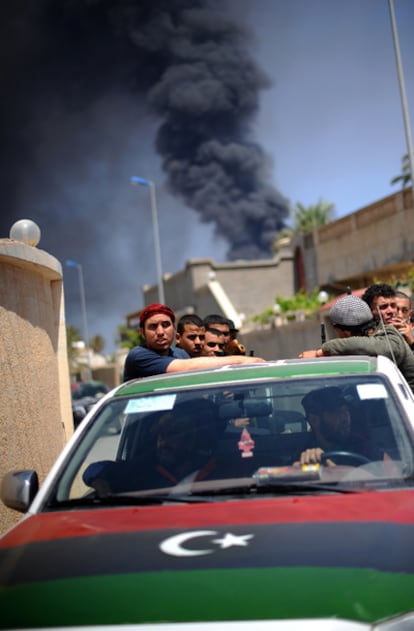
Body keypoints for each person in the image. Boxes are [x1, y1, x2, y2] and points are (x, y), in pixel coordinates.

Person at [299, 294, 414, 393]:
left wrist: (321, 351)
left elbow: (379, 347)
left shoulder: (389, 335)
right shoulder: (357, 349)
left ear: (344, 332)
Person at [123, 303, 265, 381]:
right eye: (153, 327)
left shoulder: (180, 354)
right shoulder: (139, 356)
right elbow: (188, 367)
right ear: (142, 332)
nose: (160, 332)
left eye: (166, 325)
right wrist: (241, 361)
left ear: (173, 329)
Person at [295, 386, 372, 466]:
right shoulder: (303, 453)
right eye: (337, 412)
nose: (345, 418)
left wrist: (333, 469)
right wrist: (301, 467)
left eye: (346, 410)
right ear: (314, 420)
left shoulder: (362, 445)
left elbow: (376, 474)